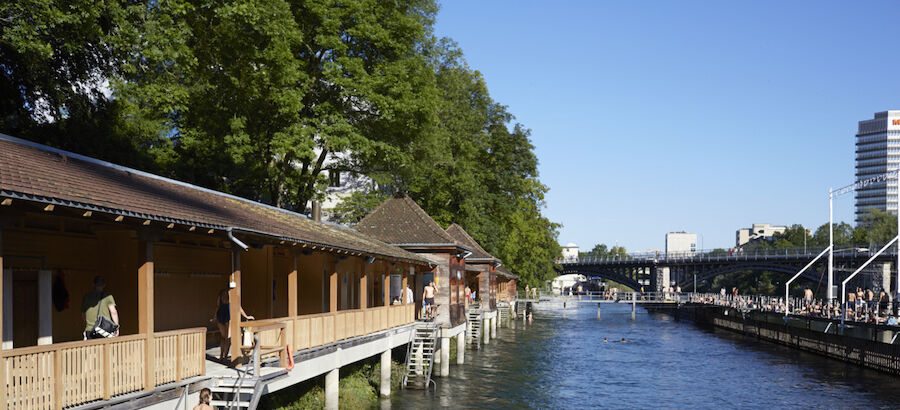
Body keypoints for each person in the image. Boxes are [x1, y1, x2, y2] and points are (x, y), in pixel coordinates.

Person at [211, 289, 254, 361]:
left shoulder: (221, 294)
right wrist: (246, 316)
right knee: (227, 337)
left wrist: (214, 317)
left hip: (221, 315)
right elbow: (238, 307)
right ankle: (224, 356)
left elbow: (217, 306)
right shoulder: (232, 294)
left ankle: (222, 355)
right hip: (227, 316)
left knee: (223, 337)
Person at [82, 275, 119, 339]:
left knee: (91, 348)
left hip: (89, 330)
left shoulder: (86, 297)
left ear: (93, 284)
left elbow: (83, 315)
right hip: (104, 329)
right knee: (106, 348)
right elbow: (113, 312)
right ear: (104, 285)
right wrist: (116, 328)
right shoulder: (107, 296)